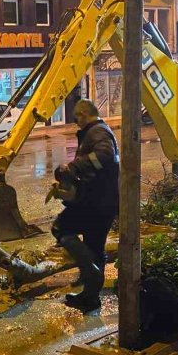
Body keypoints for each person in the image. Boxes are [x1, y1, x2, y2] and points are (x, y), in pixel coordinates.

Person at [49, 99, 120, 312]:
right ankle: (90, 297)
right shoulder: (99, 130)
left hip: (94, 203)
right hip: (104, 203)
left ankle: (90, 270)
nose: (75, 123)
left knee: (60, 228)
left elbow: (105, 156)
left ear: (83, 114)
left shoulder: (97, 132)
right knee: (94, 248)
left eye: (75, 118)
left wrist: (74, 167)